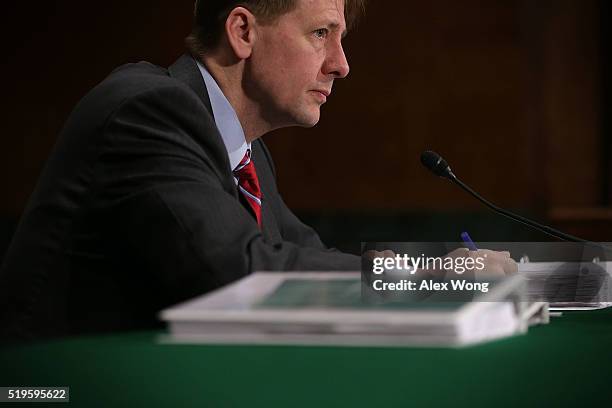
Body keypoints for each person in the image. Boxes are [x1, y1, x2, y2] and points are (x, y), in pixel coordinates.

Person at [0, 0, 515, 342]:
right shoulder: (148, 110)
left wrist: (425, 271)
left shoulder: (243, 148)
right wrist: (434, 276)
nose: (342, 64)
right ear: (242, 31)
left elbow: (303, 256)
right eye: (321, 34)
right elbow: (242, 275)